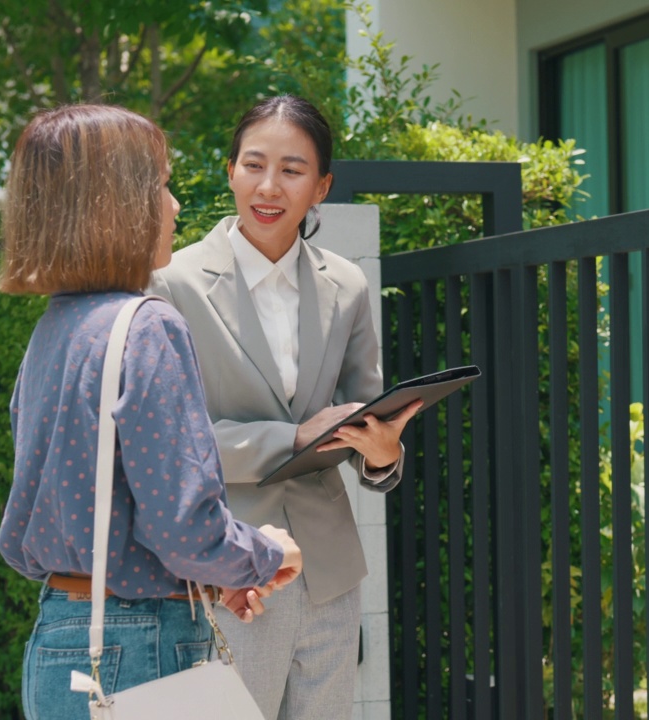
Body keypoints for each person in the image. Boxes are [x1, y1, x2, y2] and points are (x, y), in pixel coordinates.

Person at [0, 104, 302, 720]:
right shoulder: (148, 325)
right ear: (117, 204)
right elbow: (183, 526)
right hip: (139, 645)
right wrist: (266, 554)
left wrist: (213, 576)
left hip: (59, 639)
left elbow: (102, 508)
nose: (174, 206)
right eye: (161, 185)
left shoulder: (57, 330)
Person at [150, 94, 420, 719]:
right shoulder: (172, 283)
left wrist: (382, 456)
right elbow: (169, 444)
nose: (269, 186)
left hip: (329, 574)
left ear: (321, 185)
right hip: (230, 570)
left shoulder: (347, 286)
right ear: (230, 171)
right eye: (253, 164)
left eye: (293, 170)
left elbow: (359, 417)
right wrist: (293, 438)